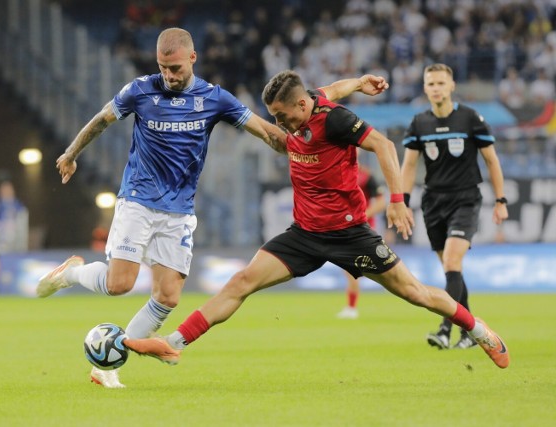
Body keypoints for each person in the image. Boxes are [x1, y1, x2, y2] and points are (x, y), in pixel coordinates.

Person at [35, 27, 390, 389]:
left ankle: (108, 367)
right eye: (163, 68)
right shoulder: (140, 90)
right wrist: (71, 152)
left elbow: (268, 132)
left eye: (175, 68)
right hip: (138, 200)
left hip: (179, 210)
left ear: (192, 59)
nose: (169, 76)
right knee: (119, 284)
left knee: (168, 296)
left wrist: (310, 144)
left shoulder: (215, 98)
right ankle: (71, 273)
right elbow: (101, 119)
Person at [122, 70, 510, 371]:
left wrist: (396, 200)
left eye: (282, 116)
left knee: (417, 294)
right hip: (304, 234)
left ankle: (480, 331)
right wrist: (358, 81)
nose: (280, 125)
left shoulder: (336, 121)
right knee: (240, 282)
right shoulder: (313, 100)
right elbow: (333, 88)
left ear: (302, 105)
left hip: (349, 234)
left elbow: (384, 145)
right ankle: (174, 343)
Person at [400, 63, 509, 350]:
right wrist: (403, 201)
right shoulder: (419, 123)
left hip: (465, 198)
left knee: (451, 263)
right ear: (425, 88)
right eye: (431, 84)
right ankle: (472, 333)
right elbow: (409, 165)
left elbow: (491, 161)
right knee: (453, 272)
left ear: (451, 86)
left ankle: (445, 329)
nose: (436, 88)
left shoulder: (471, 118)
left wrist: (500, 200)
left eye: (440, 83)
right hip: (433, 202)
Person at [337, 163, 386, 319]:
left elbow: (381, 202)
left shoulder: (366, 176)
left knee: (355, 268)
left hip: (363, 229)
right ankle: (351, 307)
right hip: (343, 227)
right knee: (351, 268)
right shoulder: (334, 172)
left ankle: (351, 308)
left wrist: (363, 215)